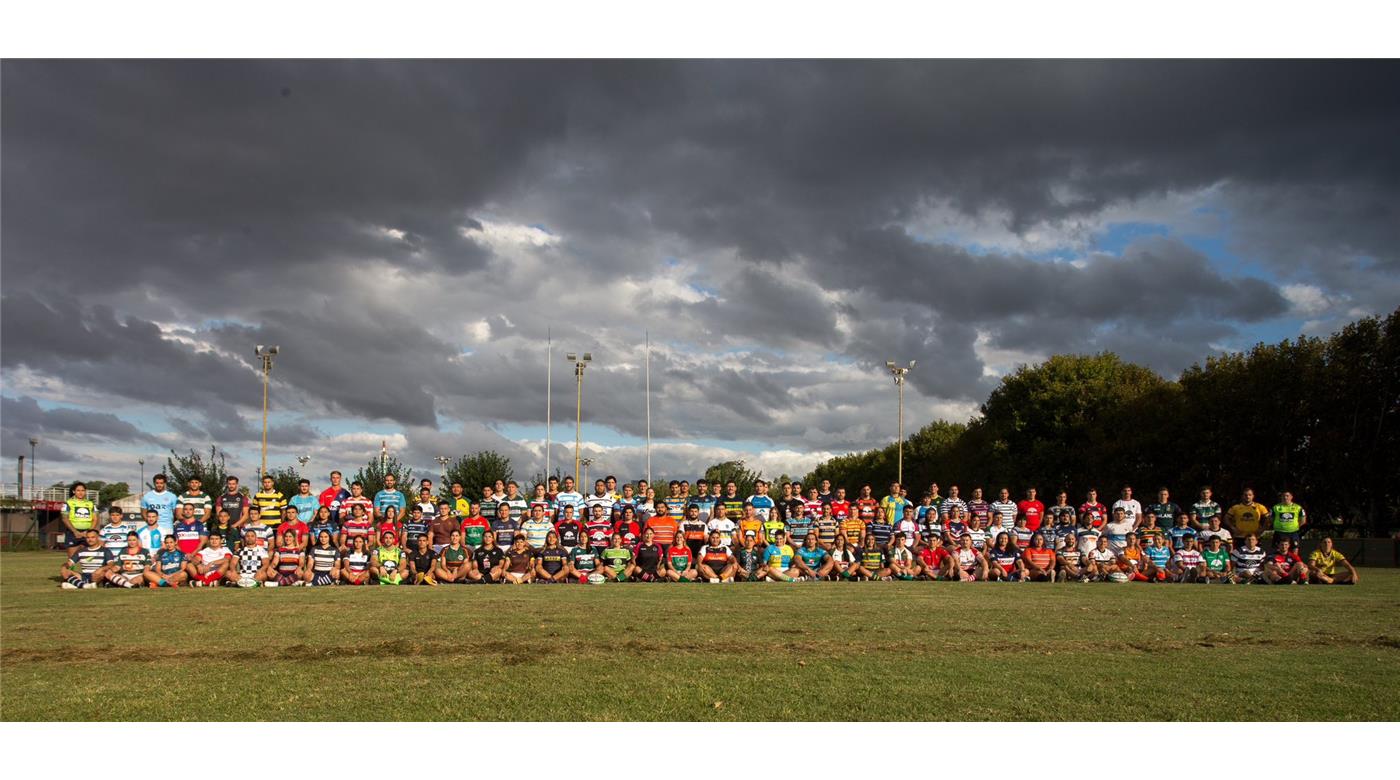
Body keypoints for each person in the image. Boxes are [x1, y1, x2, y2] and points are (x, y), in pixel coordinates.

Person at [61, 482, 98, 555]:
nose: (80, 493)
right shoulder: (68, 503)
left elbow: (95, 519)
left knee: (89, 558)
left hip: (87, 534)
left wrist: (88, 532)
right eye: (78, 490)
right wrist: (75, 532)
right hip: (73, 533)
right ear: (74, 491)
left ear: (85, 491)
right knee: (71, 560)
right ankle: (70, 567)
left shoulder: (91, 503)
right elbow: (65, 518)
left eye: (83, 490)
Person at [213, 477, 248, 543]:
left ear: (237, 484)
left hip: (238, 528)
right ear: (227, 484)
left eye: (233, 484)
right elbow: (218, 514)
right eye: (229, 484)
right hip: (224, 528)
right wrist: (225, 526)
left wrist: (234, 526)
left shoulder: (243, 497)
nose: (231, 486)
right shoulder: (221, 497)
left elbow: (246, 515)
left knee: (237, 548)